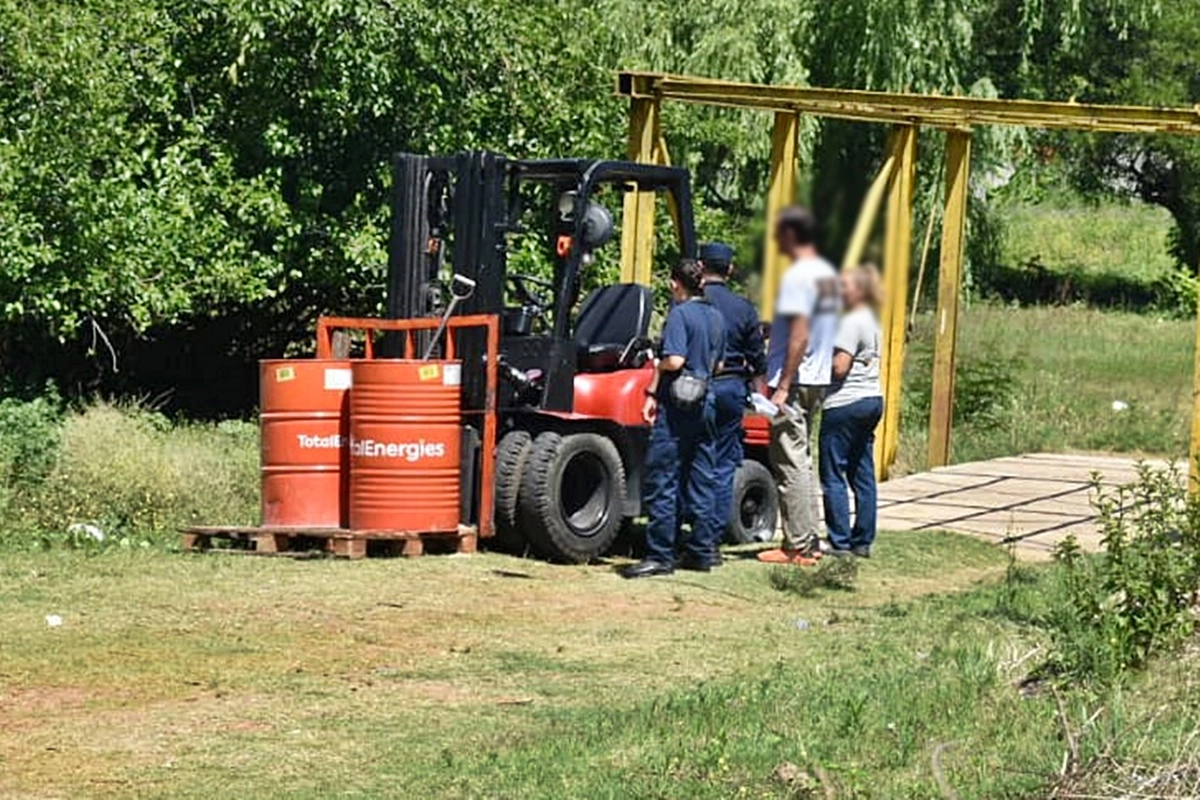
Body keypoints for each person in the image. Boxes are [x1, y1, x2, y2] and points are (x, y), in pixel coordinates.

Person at [623, 259, 726, 578]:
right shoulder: (716, 317)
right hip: (708, 399)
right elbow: (719, 366)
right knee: (702, 476)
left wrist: (658, 370)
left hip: (678, 404)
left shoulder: (680, 314)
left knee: (664, 477)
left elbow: (675, 359)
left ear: (674, 284)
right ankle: (701, 550)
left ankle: (660, 555)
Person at [757, 206, 840, 566]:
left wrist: (783, 384)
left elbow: (800, 334)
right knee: (803, 460)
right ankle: (809, 538)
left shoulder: (797, 277)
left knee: (788, 461)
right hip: (818, 377)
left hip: (795, 378)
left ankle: (797, 545)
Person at [699, 242, 766, 562]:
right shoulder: (743, 309)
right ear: (729, 269)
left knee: (693, 461)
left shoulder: (687, 303)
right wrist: (761, 395)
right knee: (724, 466)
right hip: (730, 390)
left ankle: (687, 533)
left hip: (694, 389)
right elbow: (758, 358)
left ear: (700, 267)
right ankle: (710, 540)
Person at [819, 265, 884, 558]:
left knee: (833, 472)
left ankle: (839, 540)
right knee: (862, 472)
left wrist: (820, 372)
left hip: (845, 402)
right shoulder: (873, 322)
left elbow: (840, 366)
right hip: (872, 398)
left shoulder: (850, 323)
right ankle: (863, 539)